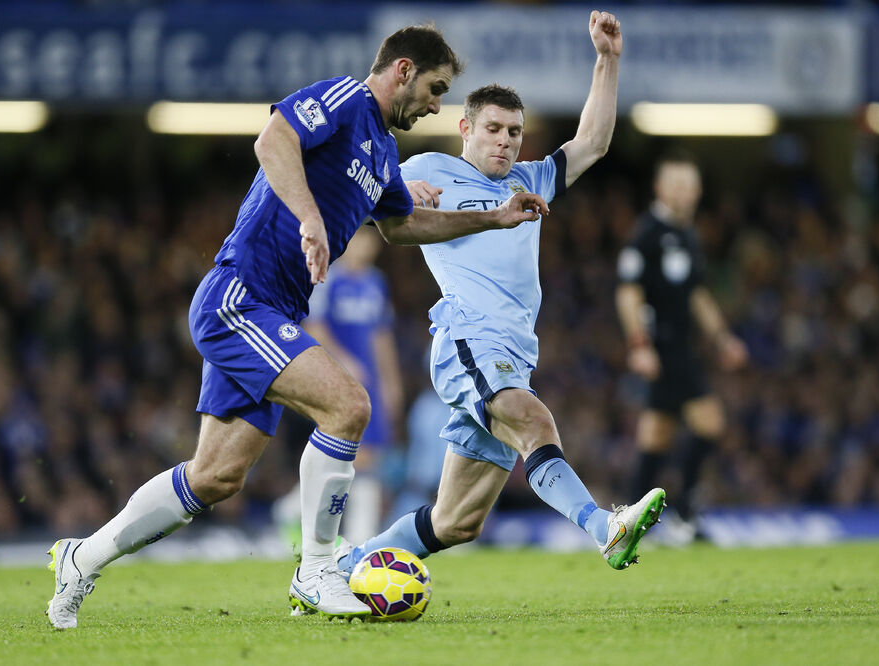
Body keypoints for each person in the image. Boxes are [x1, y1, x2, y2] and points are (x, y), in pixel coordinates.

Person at [46, 24, 551, 628]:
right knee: (348, 406)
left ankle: (83, 557)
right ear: (403, 70)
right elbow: (273, 140)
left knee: (216, 476)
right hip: (241, 297)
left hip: (271, 311)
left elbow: (403, 225)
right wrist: (310, 218)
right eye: (436, 88)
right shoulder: (345, 99)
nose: (437, 104)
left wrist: (493, 218)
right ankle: (316, 570)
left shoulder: (382, 152)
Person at [337, 11, 666, 578]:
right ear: (466, 129)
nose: (506, 142)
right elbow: (363, 198)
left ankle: (342, 569)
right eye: (493, 129)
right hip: (467, 338)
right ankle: (602, 527)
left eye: (514, 132)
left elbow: (591, 142)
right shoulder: (428, 168)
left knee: (455, 522)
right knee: (535, 423)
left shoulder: (529, 181)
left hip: (513, 352)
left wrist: (608, 61)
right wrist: (381, 197)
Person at [615, 151, 748, 543]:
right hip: (663, 348)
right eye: (676, 184)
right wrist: (639, 344)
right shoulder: (648, 233)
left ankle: (625, 523)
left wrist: (722, 338)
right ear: (659, 188)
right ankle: (683, 515)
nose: (684, 192)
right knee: (710, 423)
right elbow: (628, 292)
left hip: (680, 348)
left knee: (656, 436)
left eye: (690, 185)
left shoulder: (688, 234)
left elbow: (696, 294)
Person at [274, 226, 404, 546]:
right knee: (355, 456)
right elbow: (314, 327)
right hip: (337, 378)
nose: (367, 244)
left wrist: (391, 381)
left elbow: (381, 335)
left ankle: (297, 511)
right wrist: (345, 362)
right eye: (361, 236)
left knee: (367, 457)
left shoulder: (376, 282)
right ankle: (360, 538)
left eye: (373, 238)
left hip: (370, 381)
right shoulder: (329, 277)